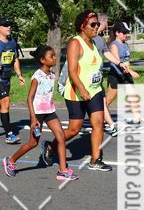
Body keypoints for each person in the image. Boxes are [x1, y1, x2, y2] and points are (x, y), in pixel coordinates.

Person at [44, 11, 111, 172]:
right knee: (75, 129)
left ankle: (96, 160)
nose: (97, 27)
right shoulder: (75, 43)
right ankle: (51, 146)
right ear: (82, 26)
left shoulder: (94, 43)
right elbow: (72, 71)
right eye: (93, 24)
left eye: (97, 24)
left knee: (98, 124)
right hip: (76, 92)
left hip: (94, 91)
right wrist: (82, 89)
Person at [2, 45, 78, 182]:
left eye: (55, 55)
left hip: (50, 111)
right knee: (33, 143)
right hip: (37, 113)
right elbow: (29, 98)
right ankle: (10, 160)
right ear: (43, 60)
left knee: (60, 137)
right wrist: (33, 119)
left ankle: (63, 170)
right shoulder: (37, 76)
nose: (55, 58)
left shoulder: (52, 75)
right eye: (52, 56)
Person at [106, 21, 140, 124]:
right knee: (108, 100)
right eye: (123, 32)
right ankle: (98, 114)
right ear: (117, 33)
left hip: (126, 75)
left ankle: (136, 118)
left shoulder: (125, 44)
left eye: (126, 32)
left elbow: (126, 61)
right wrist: (132, 72)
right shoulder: (114, 45)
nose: (125, 34)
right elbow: (118, 62)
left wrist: (129, 71)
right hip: (116, 75)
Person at [92, 14, 121, 137]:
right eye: (106, 22)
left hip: (97, 78)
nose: (106, 25)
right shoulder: (89, 38)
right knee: (75, 127)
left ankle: (111, 125)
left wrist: (119, 63)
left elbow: (106, 53)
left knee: (102, 101)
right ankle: (108, 125)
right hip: (86, 79)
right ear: (101, 22)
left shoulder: (100, 39)